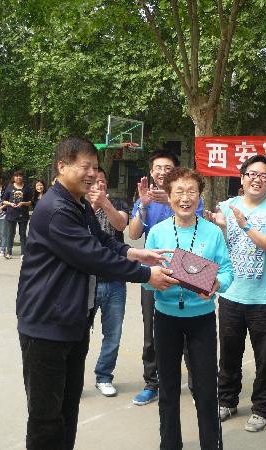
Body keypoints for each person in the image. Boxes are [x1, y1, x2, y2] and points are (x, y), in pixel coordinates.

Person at [16, 137, 178, 450]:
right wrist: (147, 275)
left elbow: (102, 240)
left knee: (68, 409)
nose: (92, 173)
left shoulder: (76, 202)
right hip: (46, 325)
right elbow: (93, 257)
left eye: (95, 166)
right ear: (62, 166)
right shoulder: (57, 209)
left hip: (73, 321)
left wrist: (134, 253)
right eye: (85, 166)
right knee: (46, 417)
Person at [144, 167, 233, 450]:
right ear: (168, 196)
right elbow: (145, 277)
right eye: (179, 191)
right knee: (168, 388)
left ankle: (212, 444)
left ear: (200, 196)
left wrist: (217, 283)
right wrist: (155, 282)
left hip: (201, 320)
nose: (185, 198)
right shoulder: (157, 232)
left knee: (206, 389)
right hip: (166, 319)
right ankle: (170, 444)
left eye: (192, 191)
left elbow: (227, 271)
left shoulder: (212, 232)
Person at [205, 155, 266, 432]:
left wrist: (245, 225)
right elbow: (221, 248)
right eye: (252, 174)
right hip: (230, 294)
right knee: (229, 353)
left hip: (262, 298)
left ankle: (262, 408)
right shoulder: (227, 206)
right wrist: (221, 226)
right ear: (242, 177)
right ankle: (226, 400)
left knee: (264, 358)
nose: (257, 180)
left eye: (264, 176)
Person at [128, 150, 203, 406]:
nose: (162, 172)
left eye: (167, 168)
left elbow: (197, 223)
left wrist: (170, 201)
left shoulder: (188, 197)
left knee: (190, 331)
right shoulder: (144, 198)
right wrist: (143, 205)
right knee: (151, 332)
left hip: (186, 268)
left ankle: (197, 385)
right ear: (151, 172)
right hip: (154, 271)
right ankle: (152, 383)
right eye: (158, 168)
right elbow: (134, 234)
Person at [90, 168, 131, 397]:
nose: (99, 185)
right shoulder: (78, 207)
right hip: (86, 281)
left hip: (115, 280)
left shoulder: (117, 203)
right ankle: (71, 377)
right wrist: (92, 205)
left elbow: (120, 225)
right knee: (77, 334)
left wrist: (104, 203)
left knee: (113, 334)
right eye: (94, 182)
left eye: (102, 181)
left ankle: (104, 376)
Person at [3, 170, 32, 259]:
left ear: (22, 177)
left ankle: (23, 253)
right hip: (11, 214)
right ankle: (9, 253)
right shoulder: (9, 187)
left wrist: (23, 203)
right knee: (10, 234)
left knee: (22, 234)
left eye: (20, 176)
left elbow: (30, 202)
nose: (18, 177)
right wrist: (10, 204)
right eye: (16, 176)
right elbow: (4, 201)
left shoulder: (27, 188)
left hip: (23, 214)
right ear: (14, 177)